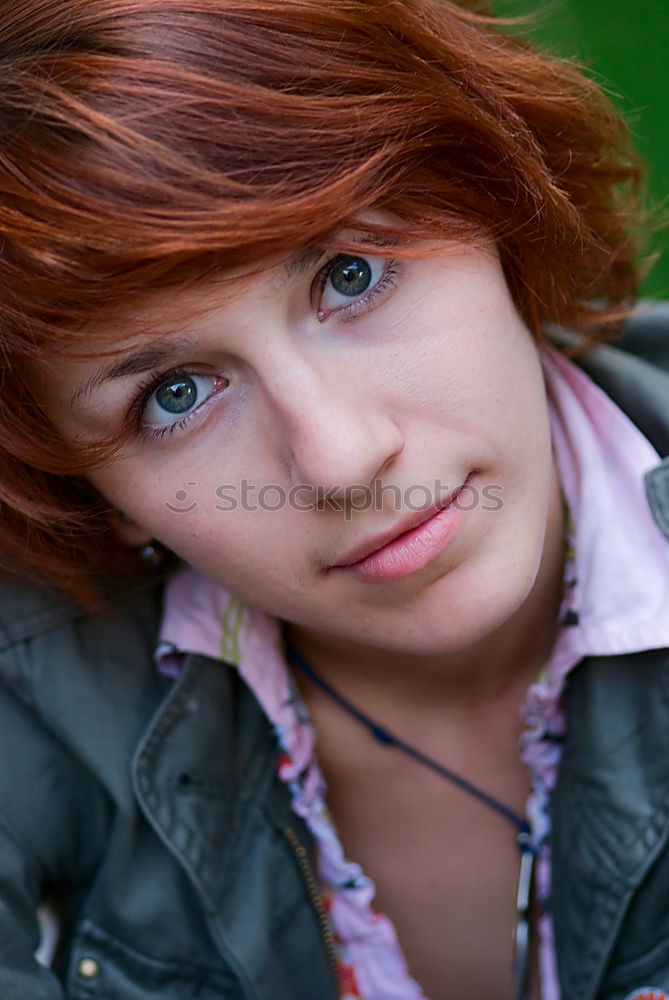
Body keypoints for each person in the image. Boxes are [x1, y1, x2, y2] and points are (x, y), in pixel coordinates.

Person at [0, 1, 668, 998]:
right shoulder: (34, 687)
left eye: (351, 275)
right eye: (174, 395)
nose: (343, 458)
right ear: (94, 488)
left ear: (494, 198)